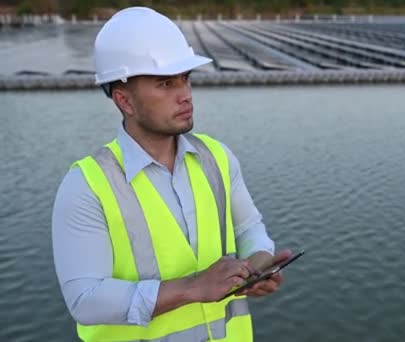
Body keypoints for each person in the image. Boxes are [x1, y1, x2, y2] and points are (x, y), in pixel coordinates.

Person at [51, 6, 291, 342]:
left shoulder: (216, 158)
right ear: (125, 100)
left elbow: (250, 228)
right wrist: (193, 287)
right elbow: (86, 301)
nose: (185, 95)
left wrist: (257, 264)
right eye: (165, 83)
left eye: (186, 79)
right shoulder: (87, 185)